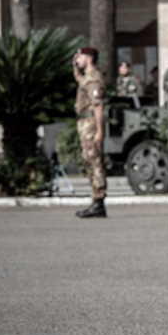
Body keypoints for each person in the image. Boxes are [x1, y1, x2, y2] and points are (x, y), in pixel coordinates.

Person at [73, 47, 107, 219]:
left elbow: (98, 106)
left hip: (91, 123)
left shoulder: (93, 79)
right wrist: (74, 65)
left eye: (80, 56)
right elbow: (79, 79)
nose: (77, 58)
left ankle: (99, 202)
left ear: (90, 58)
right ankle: (95, 200)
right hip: (84, 123)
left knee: (94, 162)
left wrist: (100, 132)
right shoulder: (86, 77)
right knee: (88, 161)